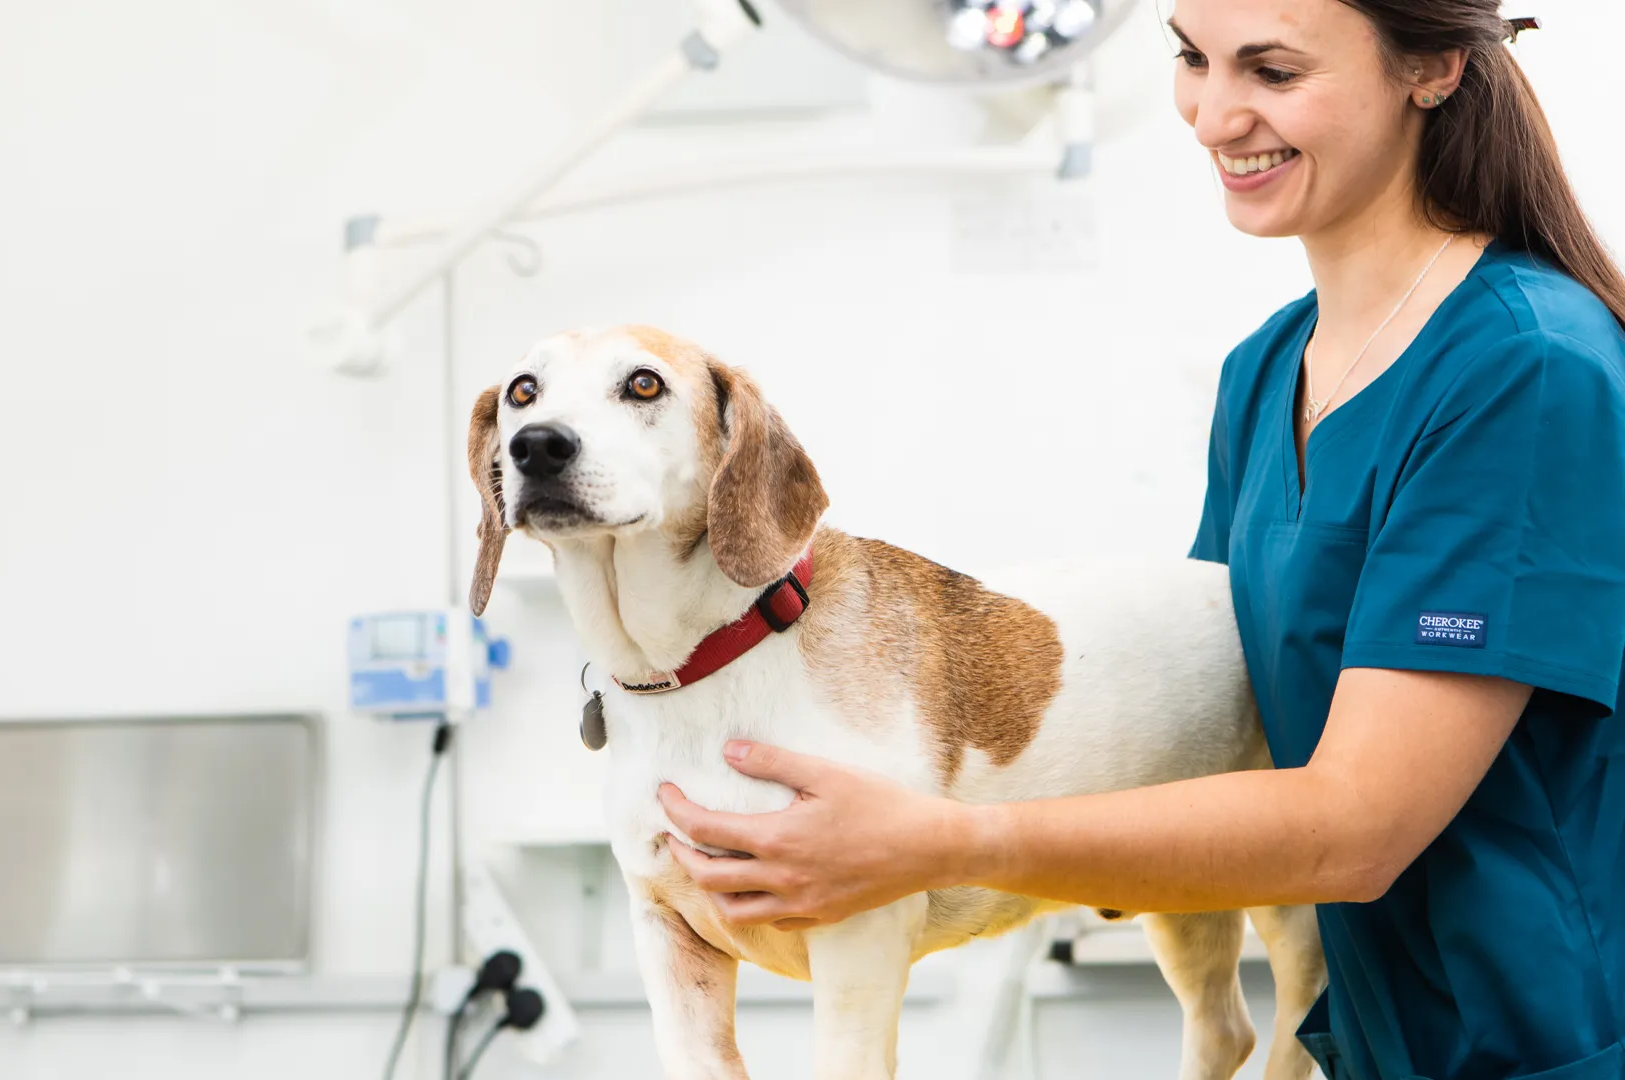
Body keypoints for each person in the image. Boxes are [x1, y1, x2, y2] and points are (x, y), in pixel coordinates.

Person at [655, 2, 1625, 1077]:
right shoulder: (1266, 374)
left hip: (1546, 1035)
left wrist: (938, 842)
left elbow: (1360, 826)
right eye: (1190, 58)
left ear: (1433, 68)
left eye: (1271, 69)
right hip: (1383, 1035)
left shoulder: (1524, 368)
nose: (1214, 116)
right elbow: (1219, 687)